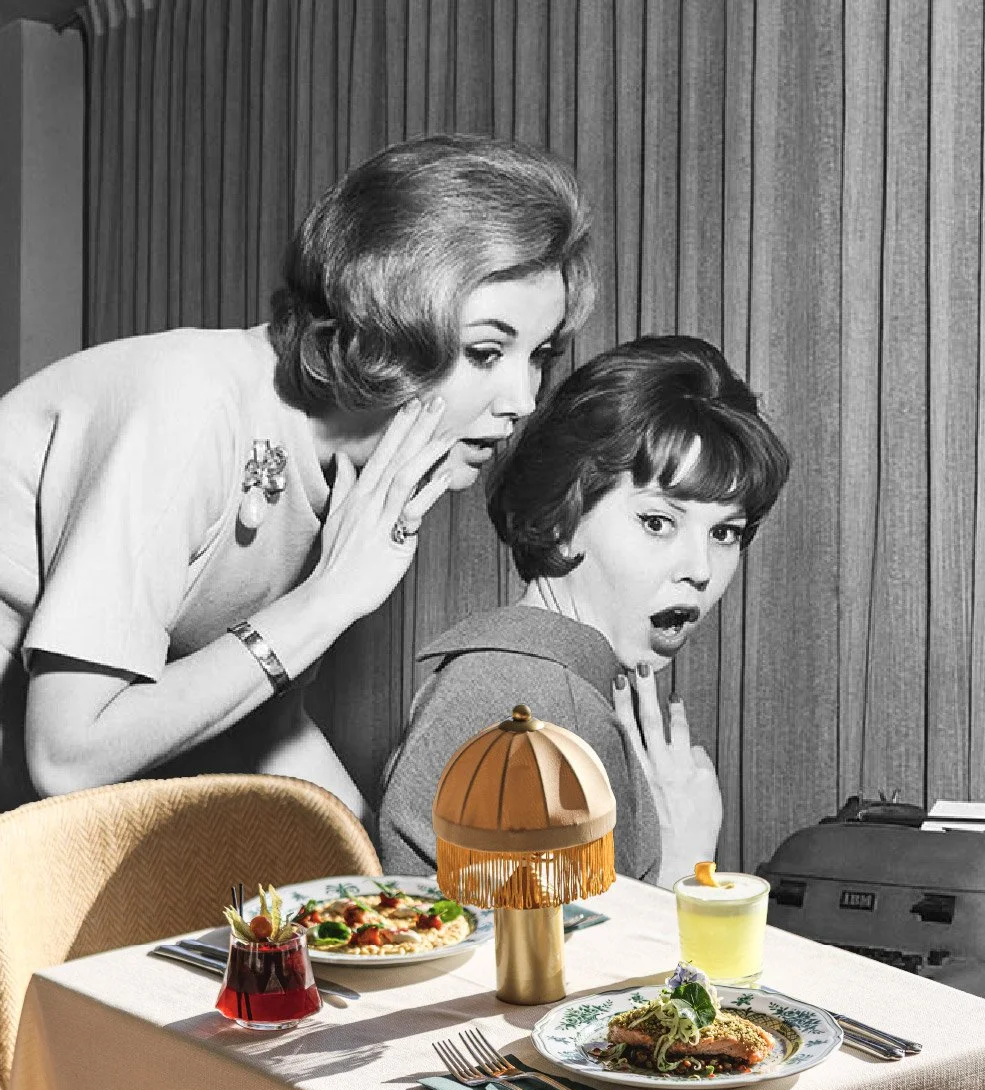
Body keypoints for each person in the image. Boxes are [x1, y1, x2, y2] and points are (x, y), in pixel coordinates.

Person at [0, 134, 593, 821]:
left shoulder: (354, 477)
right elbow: (67, 757)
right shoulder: (192, 404)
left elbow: (262, 719)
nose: (522, 400)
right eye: (487, 351)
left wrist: (396, 886)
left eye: (539, 354)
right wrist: (327, 599)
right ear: (389, 319)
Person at [378, 334, 791, 886]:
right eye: (657, 522)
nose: (701, 568)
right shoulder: (523, 703)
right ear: (561, 518)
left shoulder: (566, 688)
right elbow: (526, 970)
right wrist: (680, 865)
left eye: (725, 532)